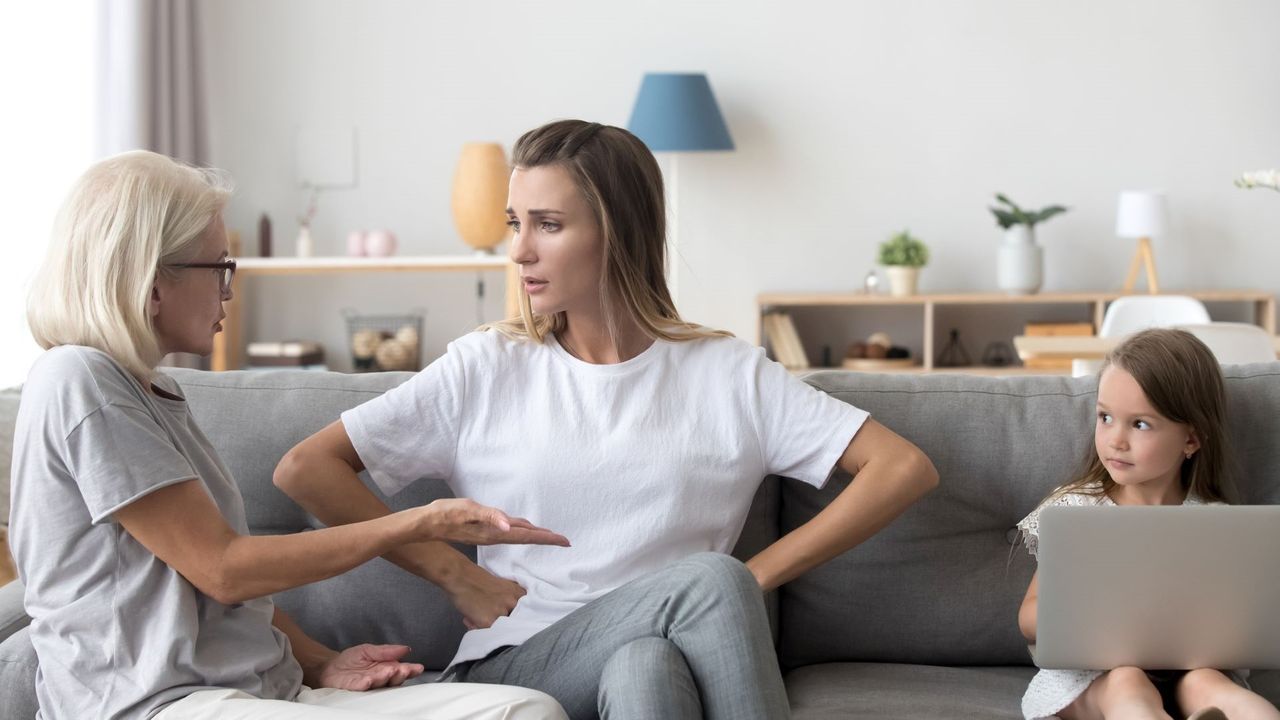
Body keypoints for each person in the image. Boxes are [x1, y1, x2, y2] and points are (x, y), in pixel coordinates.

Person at [274, 119, 939, 720]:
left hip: (667, 652)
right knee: (707, 583)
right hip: (520, 666)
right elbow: (307, 469)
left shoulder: (728, 373)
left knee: (645, 663)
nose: (519, 251)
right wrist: (453, 573)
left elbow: (901, 467)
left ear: (617, 231)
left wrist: (750, 581)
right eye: (515, 223)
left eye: (548, 225)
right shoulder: (488, 366)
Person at [11, 150, 570, 720]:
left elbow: (210, 589)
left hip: (260, 697)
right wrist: (423, 520)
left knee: (529, 710)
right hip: (155, 706)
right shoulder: (77, 379)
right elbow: (224, 569)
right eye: (218, 268)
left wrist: (322, 662)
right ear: (153, 283)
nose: (228, 290)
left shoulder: (152, 394)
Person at [1016, 328, 1280, 720]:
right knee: (1127, 683)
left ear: (1191, 440)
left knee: (1209, 684)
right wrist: (1094, 613)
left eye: (1139, 424)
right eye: (1105, 417)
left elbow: (1242, 623)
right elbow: (1028, 618)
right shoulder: (1076, 510)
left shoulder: (1217, 523)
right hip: (1095, 676)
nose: (1115, 440)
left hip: (1190, 668)